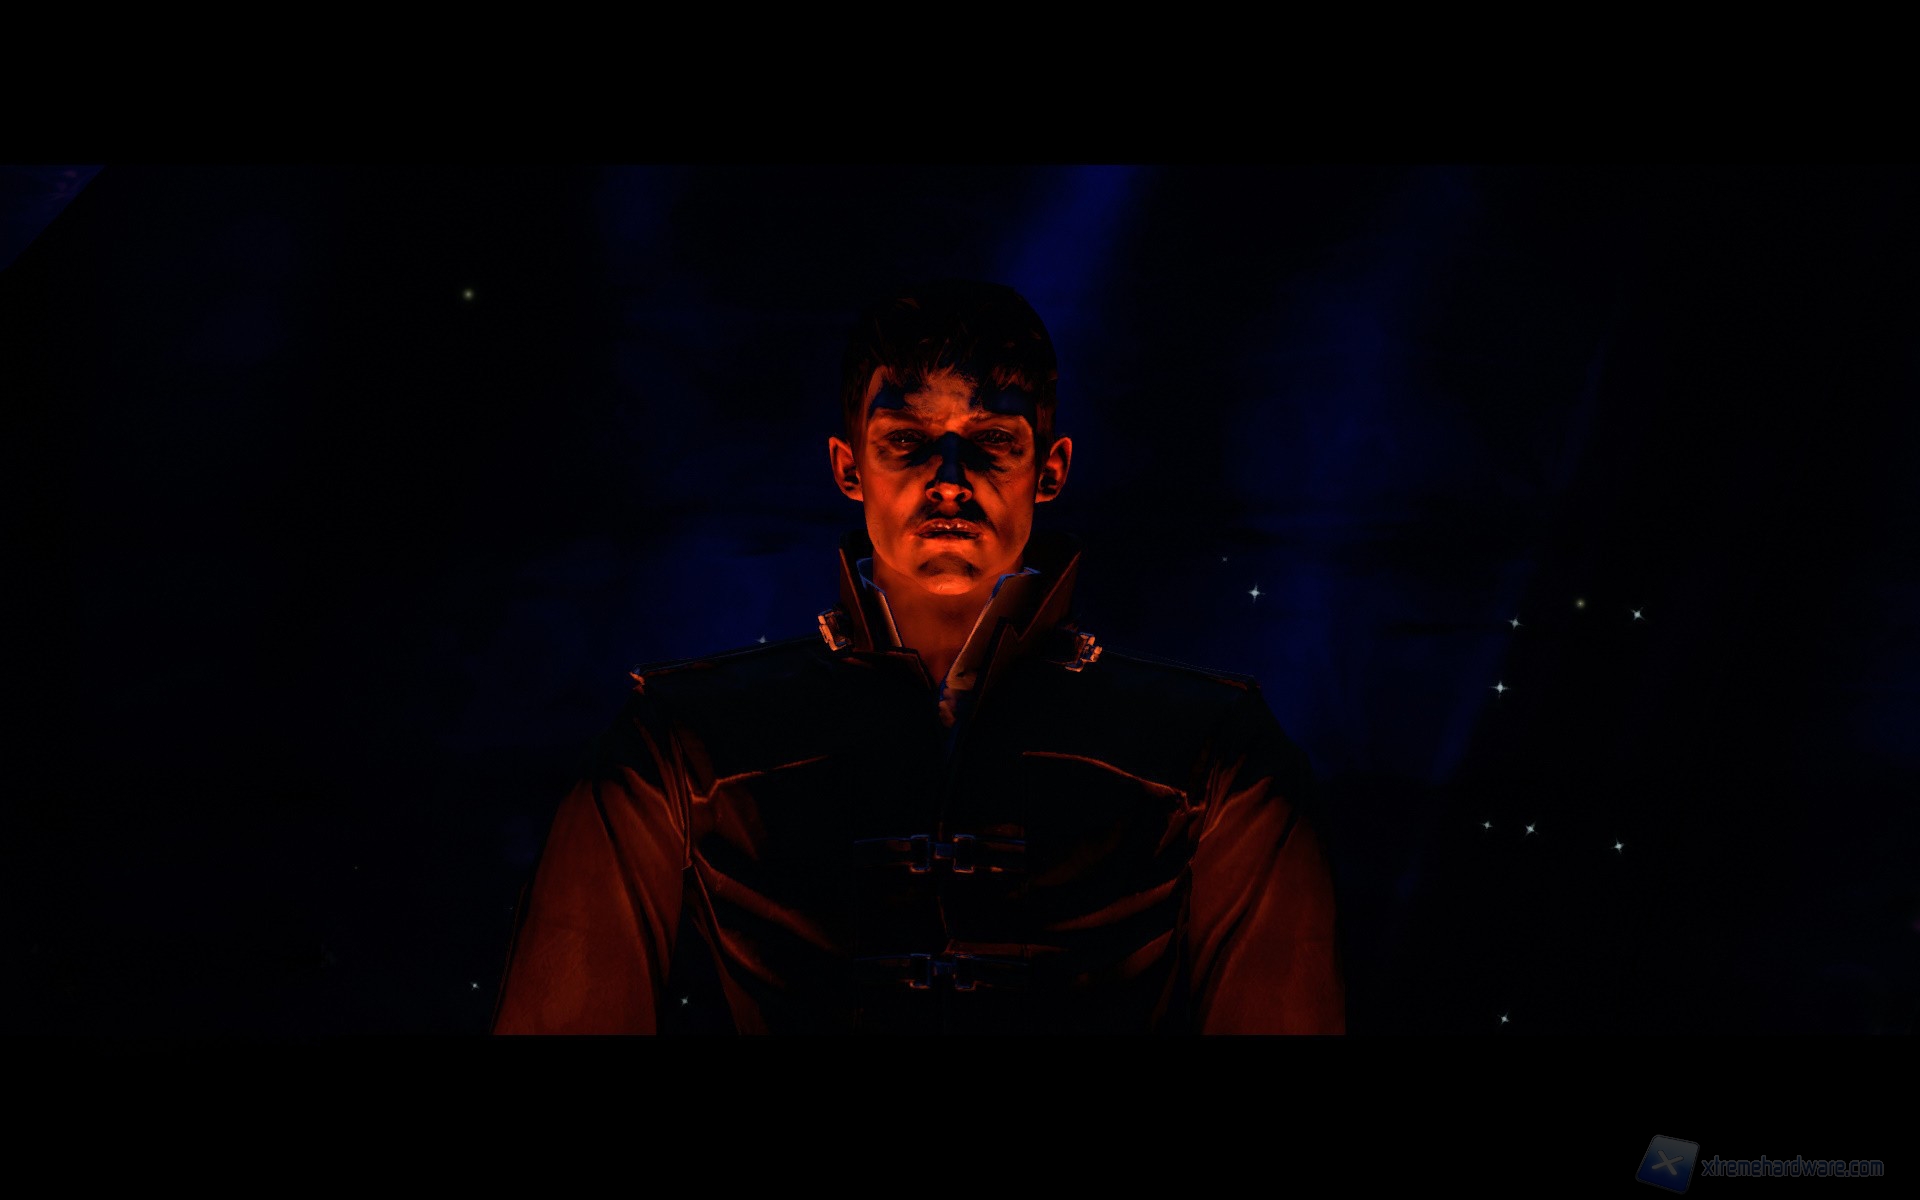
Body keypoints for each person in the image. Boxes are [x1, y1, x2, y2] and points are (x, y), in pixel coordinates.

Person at [491, 280, 1345, 1034]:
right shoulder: (676, 749)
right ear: (849, 467)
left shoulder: (1217, 755)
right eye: (907, 441)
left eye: (991, 440)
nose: (948, 480)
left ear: (1049, 470)